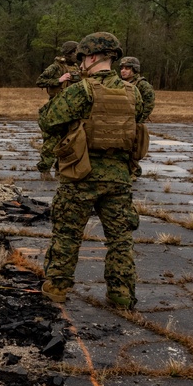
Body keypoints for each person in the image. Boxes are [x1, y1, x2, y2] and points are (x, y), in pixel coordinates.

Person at [39, 32, 144, 309]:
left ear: (93, 57)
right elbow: (138, 120)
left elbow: (49, 121)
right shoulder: (133, 91)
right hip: (119, 177)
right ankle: (121, 295)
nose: (81, 63)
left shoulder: (81, 90)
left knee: (67, 234)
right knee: (120, 240)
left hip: (81, 175)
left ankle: (57, 288)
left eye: (83, 58)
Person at [35, 41, 82, 179]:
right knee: (51, 141)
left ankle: (60, 169)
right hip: (56, 108)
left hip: (71, 108)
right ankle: (45, 170)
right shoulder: (55, 67)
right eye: (75, 52)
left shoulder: (76, 67)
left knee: (68, 140)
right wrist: (58, 80)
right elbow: (40, 81)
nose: (77, 55)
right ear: (69, 53)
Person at [118, 57, 155, 179]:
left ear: (134, 69)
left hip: (134, 122)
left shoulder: (142, 85)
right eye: (122, 68)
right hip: (121, 121)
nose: (123, 71)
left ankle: (134, 170)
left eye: (127, 68)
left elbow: (149, 103)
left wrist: (139, 120)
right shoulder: (118, 83)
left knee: (134, 148)